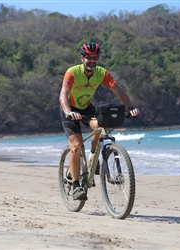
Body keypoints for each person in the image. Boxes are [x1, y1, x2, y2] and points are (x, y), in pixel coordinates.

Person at [59, 42, 139, 200]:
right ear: (82, 58)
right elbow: (63, 95)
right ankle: (75, 186)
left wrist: (130, 107)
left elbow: (118, 91)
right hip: (70, 110)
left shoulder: (102, 73)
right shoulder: (72, 72)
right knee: (76, 146)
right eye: (89, 58)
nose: (92, 61)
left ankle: (93, 160)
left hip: (87, 108)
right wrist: (69, 112)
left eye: (95, 58)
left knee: (100, 126)